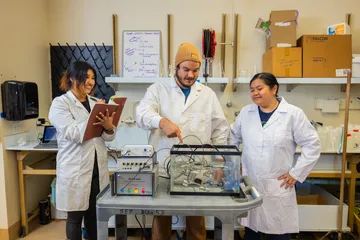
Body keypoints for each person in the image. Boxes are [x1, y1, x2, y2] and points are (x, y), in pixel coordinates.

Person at [136, 42, 229, 240]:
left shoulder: (207, 94)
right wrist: (161, 121)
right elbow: (141, 113)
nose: (191, 75)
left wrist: (219, 160)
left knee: (196, 225)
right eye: (186, 69)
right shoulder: (158, 89)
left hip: (198, 168)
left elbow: (220, 130)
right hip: (163, 168)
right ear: (176, 67)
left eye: (195, 70)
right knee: (161, 225)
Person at [229, 72, 321, 240]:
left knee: (278, 233)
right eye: (251, 90)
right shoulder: (246, 113)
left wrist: (296, 173)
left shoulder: (293, 114)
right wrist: (235, 163)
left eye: (259, 88)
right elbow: (233, 137)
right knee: (251, 231)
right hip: (251, 183)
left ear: (274, 89)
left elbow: (312, 144)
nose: (255, 93)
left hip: (278, 184)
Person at [49, 61, 117, 240]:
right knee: (75, 218)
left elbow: (107, 137)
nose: (90, 82)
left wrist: (108, 127)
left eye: (93, 78)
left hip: (96, 168)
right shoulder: (60, 104)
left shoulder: (95, 102)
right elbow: (72, 133)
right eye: (85, 77)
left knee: (94, 216)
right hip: (75, 169)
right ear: (72, 78)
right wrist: (95, 116)